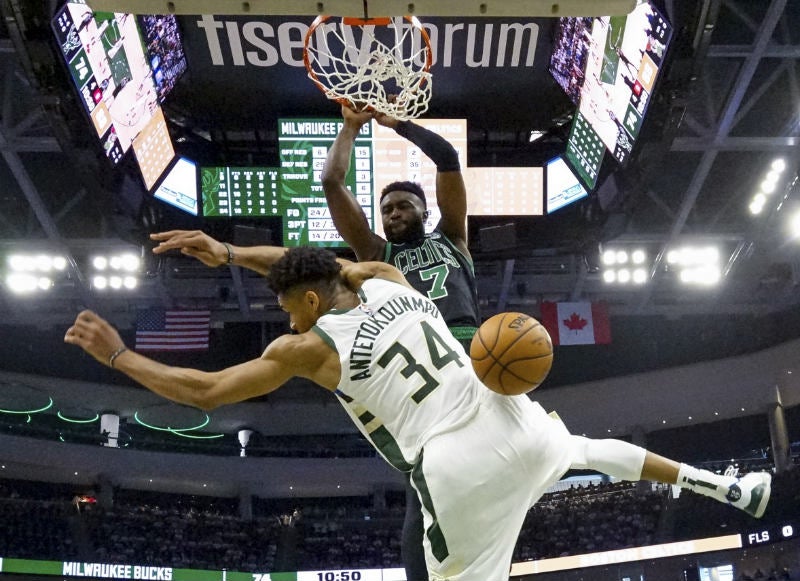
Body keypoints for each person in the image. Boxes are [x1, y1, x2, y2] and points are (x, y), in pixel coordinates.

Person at [65, 247, 771, 581]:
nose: (282, 312)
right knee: (590, 449)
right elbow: (310, 263)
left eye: (286, 302)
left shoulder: (305, 345)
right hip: (512, 415)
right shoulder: (384, 277)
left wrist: (121, 356)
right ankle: (732, 487)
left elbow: (206, 391)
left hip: (454, 463)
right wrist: (228, 254)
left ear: (306, 305)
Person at [321, 105, 480, 580]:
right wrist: (349, 127)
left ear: (423, 211)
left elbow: (448, 158)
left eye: (403, 205)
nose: (393, 213)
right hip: (419, 367)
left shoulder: (453, 238)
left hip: (470, 351)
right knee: (423, 482)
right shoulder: (375, 254)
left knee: (483, 473)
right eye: (387, 209)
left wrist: (400, 126)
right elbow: (332, 182)